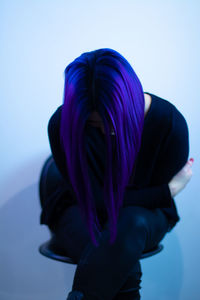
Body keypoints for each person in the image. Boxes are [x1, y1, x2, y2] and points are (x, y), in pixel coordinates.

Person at [39, 48, 194, 300]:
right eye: (92, 125)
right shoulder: (61, 124)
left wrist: (157, 197)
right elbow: (96, 201)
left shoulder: (169, 124)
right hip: (80, 207)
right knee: (120, 258)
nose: (106, 131)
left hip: (143, 217)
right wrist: (167, 191)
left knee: (129, 225)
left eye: (115, 120)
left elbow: (137, 208)